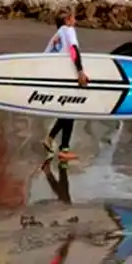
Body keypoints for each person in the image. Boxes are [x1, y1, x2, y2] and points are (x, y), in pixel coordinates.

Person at [42, 10, 89, 161]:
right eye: (73, 18)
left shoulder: (58, 34)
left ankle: (52, 140)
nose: (75, 21)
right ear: (67, 20)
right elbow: (73, 50)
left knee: (68, 109)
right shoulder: (68, 31)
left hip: (50, 75)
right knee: (70, 109)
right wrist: (80, 71)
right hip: (60, 76)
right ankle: (62, 148)